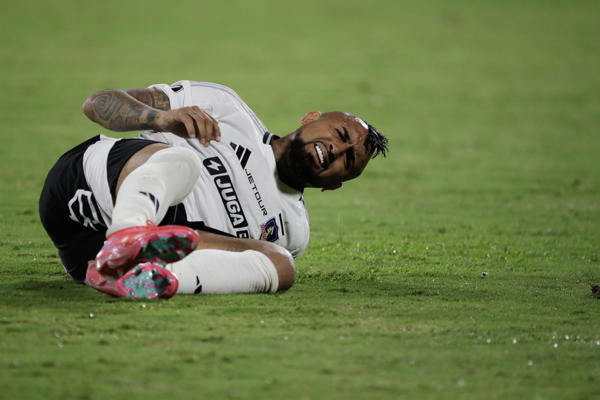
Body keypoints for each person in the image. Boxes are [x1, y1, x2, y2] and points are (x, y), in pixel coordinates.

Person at [39, 80, 388, 298]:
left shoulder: (293, 231)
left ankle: (152, 279)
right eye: (340, 135)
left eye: (348, 160)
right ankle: (129, 234)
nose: (336, 150)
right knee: (182, 162)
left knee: (282, 264)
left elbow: (218, 257)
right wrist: (160, 119)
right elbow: (97, 103)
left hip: (90, 255)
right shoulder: (226, 108)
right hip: (82, 187)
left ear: (334, 186)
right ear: (311, 117)